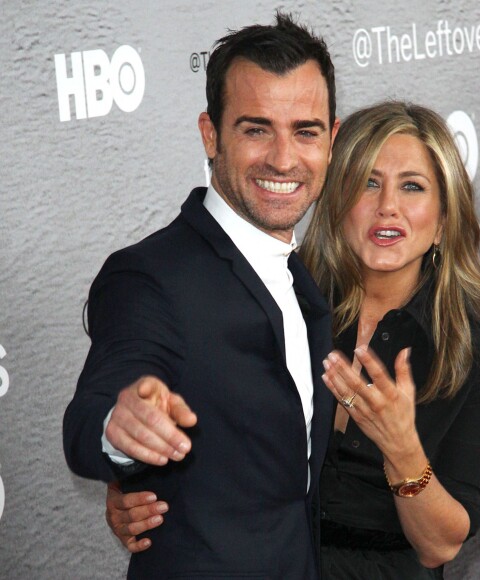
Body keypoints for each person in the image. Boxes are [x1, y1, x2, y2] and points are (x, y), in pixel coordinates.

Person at [106, 101, 480, 579]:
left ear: (445, 217)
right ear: (336, 200)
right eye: (367, 181)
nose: (388, 205)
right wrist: (133, 494)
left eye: (412, 186)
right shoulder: (275, 302)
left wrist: (402, 447)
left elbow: (438, 546)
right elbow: (201, 446)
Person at [63, 12, 340, 579]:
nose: (284, 159)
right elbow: (95, 409)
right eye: (256, 128)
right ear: (211, 135)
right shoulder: (150, 277)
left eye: (305, 130)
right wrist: (119, 426)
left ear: (332, 140)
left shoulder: (304, 276)